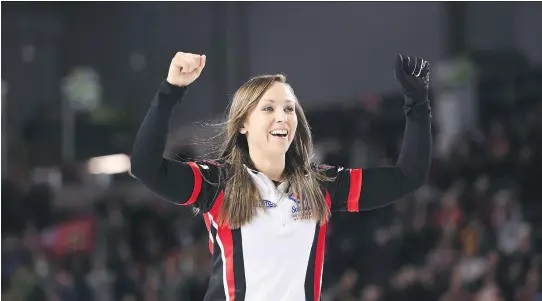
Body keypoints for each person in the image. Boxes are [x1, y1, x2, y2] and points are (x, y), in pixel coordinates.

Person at [130, 51, 432, 301]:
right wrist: (170, 90)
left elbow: (407, 177)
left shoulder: (320, 185)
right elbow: (145, 167)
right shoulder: (217, 183)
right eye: (268, 108)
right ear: (243, 125)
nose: (282, 116)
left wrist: (417, 106)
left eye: (289, 108)